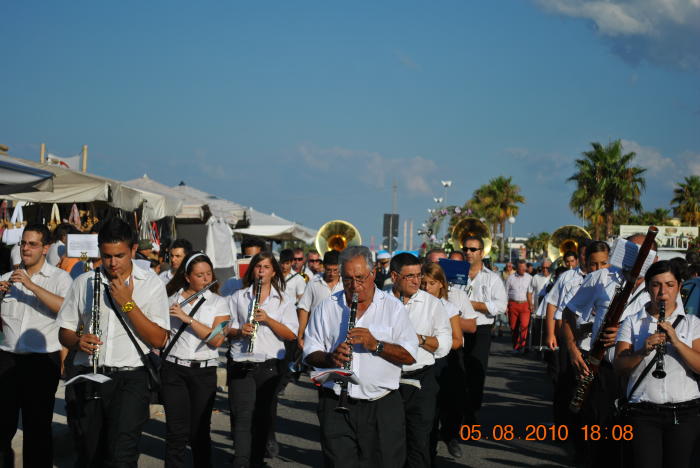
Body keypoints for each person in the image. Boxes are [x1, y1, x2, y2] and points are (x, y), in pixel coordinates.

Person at [58, 217, 170, 466]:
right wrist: (78, 341)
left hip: (131, 379)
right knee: (89, 454)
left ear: (132, 250)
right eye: (107, 255)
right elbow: (63, 331)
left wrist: (127, 303)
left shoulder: (151, 284)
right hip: (90, 374)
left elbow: (159, 339)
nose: (113, 263)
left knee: (122, 455)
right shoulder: (83, 282)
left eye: (119, 255)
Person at [303, 246, 418, 468]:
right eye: (347, 279)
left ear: (373, 273)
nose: (354, 286)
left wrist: (376, 345)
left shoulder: (393, 308)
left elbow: (409, 355)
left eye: (360, 278)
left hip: (381, 405)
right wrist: (330, 358)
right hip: (335, 402)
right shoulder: (327, 307)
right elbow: (309, 353)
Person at [615, 260, 700, 468]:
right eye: (656, 285)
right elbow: (619, 366)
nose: (663, 292)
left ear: (679, 287)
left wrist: (677, 342)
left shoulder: (692, 323)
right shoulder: (632, 322)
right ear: (647, 288)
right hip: (643, 413)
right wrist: (642, 351)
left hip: (685, 413)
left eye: (670, 285)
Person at [0, 225, 73, 467]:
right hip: (7, 359)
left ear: (45, 248)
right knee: (3, 426)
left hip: (42, 361)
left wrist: (32, 286)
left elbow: (67, 309)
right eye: (23, 243)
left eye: (32, 244)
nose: (26, 248)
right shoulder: (5, 279)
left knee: (37, 429)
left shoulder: (59, 278)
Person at [225, 252, 298, 468]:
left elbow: (291, 334)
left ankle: (256, 460)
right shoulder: (239, 296)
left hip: (269, 364)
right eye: (258, 267)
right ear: (252, 270)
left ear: (273, 271)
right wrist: (239, 331)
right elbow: (224, 328)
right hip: (241, 359)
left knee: (262, 416)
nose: (261, 271)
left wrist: (268, 319)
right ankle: (241, 461)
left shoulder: (284, 300)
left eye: (266, 267)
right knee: (242, 414)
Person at [161, 252, 228, 467]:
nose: (206, 279)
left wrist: (187, 319)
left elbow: (217, 339)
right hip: (174, 369)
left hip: (203, 372)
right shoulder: (170, 299)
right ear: (188, 277)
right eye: (200, 275)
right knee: (176, 432)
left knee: (199, 432)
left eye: (209, 274)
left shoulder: (219, 302)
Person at [390, 253, 452, 467]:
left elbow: (445, 344)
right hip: (387, 381)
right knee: (389, 444)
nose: (418, 281)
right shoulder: (380, 301)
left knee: (419, 444)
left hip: (421, 381)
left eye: (419, 275)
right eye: (410, 277)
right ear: (394, 276)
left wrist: (420, 339)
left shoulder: (432, 304)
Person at [448, 237, 507, 458]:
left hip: (480, 330)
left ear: (482, 252)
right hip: (457, 327)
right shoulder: (455, 275)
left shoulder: (492, 278)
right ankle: (455, 420)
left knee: (476, 374)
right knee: (456, 373)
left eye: (473, 249)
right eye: (466, 249)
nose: (469, 252)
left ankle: (471, 416)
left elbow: (500, 306)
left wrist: (471, 304)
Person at [421, 262, 477, 466]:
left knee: (447, 404)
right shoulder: (414, 304)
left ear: (441, 285)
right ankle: (427, 453)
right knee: (427, 415)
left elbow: (457, 340)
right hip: (422, 362)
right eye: (423, 283)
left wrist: (430, 342)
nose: (427, 288)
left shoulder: (449, 307)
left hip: (444, 361)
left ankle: (449, 436)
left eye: (432, 283)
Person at [296, 250, 343, 350]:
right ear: (323, 266)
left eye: (335, 270)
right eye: (329, 270)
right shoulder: (313, 283)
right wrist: (300, 335)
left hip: (339, 336)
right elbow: (304, 309)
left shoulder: (345, 285)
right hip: (316, 335)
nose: (332, 274)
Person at [505, 259, 532, 351]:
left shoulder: (529, 278)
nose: (523, 269)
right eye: (520, 267)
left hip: (525, 304)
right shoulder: (510, 278)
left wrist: (532, 304)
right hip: (513, 305)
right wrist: (505, 307)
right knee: (513, 327)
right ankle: (516, 345)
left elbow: (532, 292)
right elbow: (505, 293)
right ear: (517, 268)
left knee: (524, 326)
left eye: (524, 267)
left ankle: (522, 345)